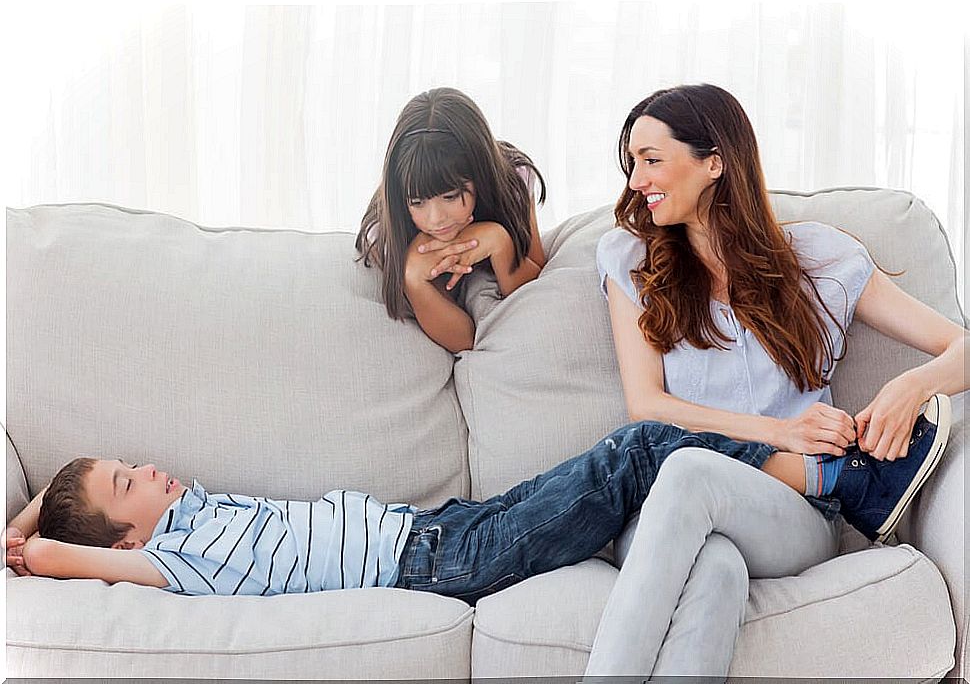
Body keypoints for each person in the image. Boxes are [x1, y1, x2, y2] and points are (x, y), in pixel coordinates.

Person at [584, 84, 968, 679]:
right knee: (716, 567)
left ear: (715, 162)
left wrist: (912, 386)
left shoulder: (819, 258)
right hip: (664, 510)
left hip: (791, 513)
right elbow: (648, 406)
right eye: (632, 163)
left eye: (652, 160)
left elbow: (963, 347)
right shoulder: (631, 263)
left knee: (691, 473)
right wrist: (780, 431)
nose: (636, 179)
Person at [2, 404, 948, 599]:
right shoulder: (173, 560)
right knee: (634, 453)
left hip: (440, 526)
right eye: (131, 483)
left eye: (132, 461)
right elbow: (53, 553)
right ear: (129, 533)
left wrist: (55, 498)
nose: (150, 469)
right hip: (439, 566)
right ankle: (845, 482)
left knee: (634, 470)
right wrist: (36, 533)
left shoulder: (191, 507)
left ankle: (830, 488)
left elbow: (71, 511)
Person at [356, 87, 547, 353]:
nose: (435, 219)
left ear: (480, 175)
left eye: (449, 196)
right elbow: (465, 341)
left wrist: (499, 242)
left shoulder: (513, 179)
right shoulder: (383, 231)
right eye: (417, 202)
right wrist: (413, 278)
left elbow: (539, 288)